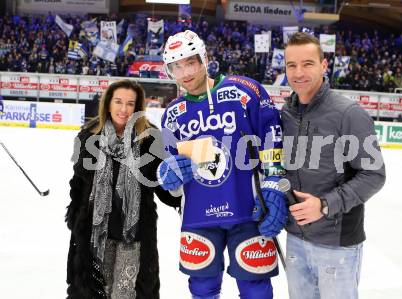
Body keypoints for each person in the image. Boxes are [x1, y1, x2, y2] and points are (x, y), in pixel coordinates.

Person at [157, 30, 288, 299]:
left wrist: (274, 183)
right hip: (199, 217)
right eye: (176, 67)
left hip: (248, 211)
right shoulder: (172, 115)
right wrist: (168, 174)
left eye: (190, 62)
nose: (185, 73)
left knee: (256, 291)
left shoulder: (244, 90)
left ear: (204, 59)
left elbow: (271, 136)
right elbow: (173, 168)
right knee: (203, 291)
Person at [281, 32, 386, 299]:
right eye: (291, 65)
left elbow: (374, 175)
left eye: (307, 64)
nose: (299, 72)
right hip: (295, 237)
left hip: (336, 245)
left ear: (324, 66)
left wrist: (325, 205)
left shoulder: (349, 114)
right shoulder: (287, 114)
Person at [65, 79, 181, 298]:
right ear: (108, 103)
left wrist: (177, 186)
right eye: (118, 102)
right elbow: (78, 185)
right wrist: (76, 222)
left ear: (138, 108)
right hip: (94, 237)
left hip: (134, 239)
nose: (124, 109)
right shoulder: (89, 136)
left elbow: (164, 189)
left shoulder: (150, 140)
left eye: (130, 103)